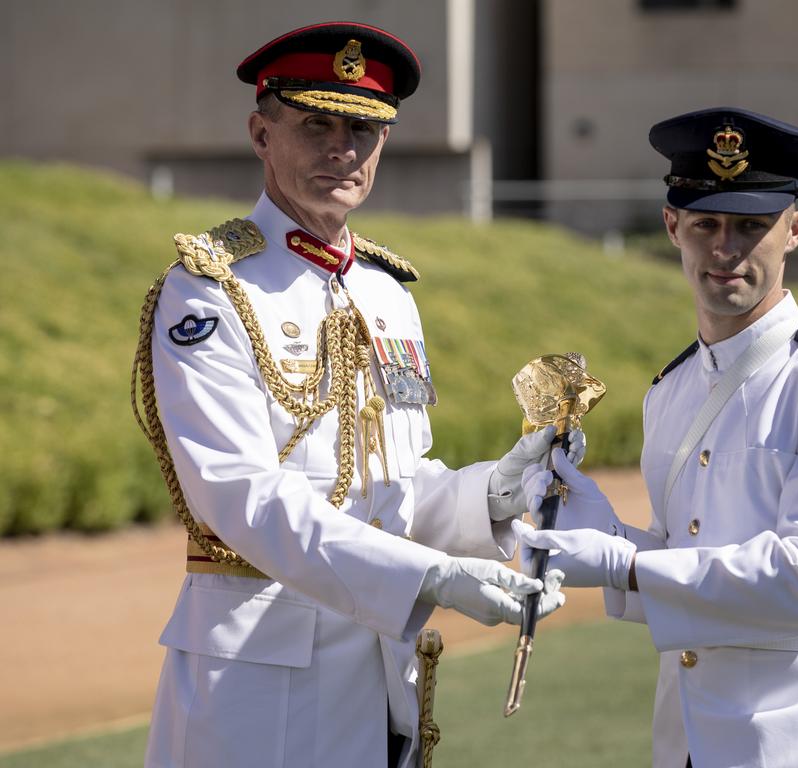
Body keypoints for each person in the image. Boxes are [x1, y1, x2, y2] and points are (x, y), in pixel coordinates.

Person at [132, 22, 575, 768]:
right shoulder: (210, 290)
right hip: (260, 677)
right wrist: (429, 576)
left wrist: (491, 494)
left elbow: (396, 485)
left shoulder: (385, 293)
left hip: (378, 668)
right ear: (261, 134)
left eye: (364, 130)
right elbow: (242, 495)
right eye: (316, 124)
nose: (343, 149)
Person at [514, 107, 798, 768]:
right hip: (691, 741)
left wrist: (626, 563)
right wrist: (613, 534)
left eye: (751, 226)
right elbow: (693, 562)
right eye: (705, 223)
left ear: (795, 231)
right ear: (672, 225)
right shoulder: (668, 393)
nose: (725, 249)